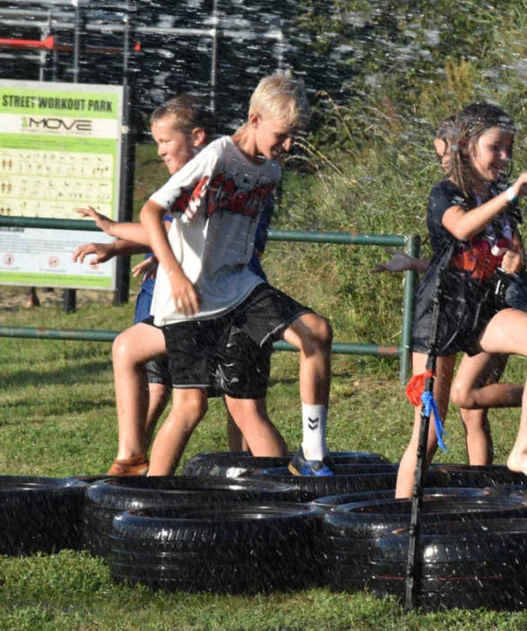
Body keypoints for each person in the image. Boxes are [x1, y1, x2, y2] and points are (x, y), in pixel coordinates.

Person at [133, 72, 333, 476]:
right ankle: (150, 496)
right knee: (190, 406)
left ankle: (313, 457)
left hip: (240, 288)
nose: (288, 147)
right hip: (190, 296)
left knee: (316, 333)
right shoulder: (218, 155)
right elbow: (151, 212)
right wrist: (173, 274)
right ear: (255, 119)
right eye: (282, 135)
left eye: (295, 137)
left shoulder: (271, 171)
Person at [73, 95, 281, 473]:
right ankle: (134, 459)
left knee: (237, 405)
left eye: (166, 141)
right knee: (144, 364)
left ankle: (256, 478)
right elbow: (173, 229)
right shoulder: (210, 169)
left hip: (223, 298)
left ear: (198, 136)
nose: (160, 151)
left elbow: (171, 227)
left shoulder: (223, 168)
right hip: (192, 299)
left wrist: (116, 236)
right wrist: (127, 246)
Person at [396, 103, 527, 496]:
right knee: (426, 437)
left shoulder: (499, 195)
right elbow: (462, 228)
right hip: (441, 316)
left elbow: (509, 247)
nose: (506, 157)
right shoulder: (445, 193)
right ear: (466, 147)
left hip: (482, 311)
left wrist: (519, 257)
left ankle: (524, 451)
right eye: (497, 147)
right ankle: (398, 516)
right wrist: (512, 194)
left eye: (509, 148)